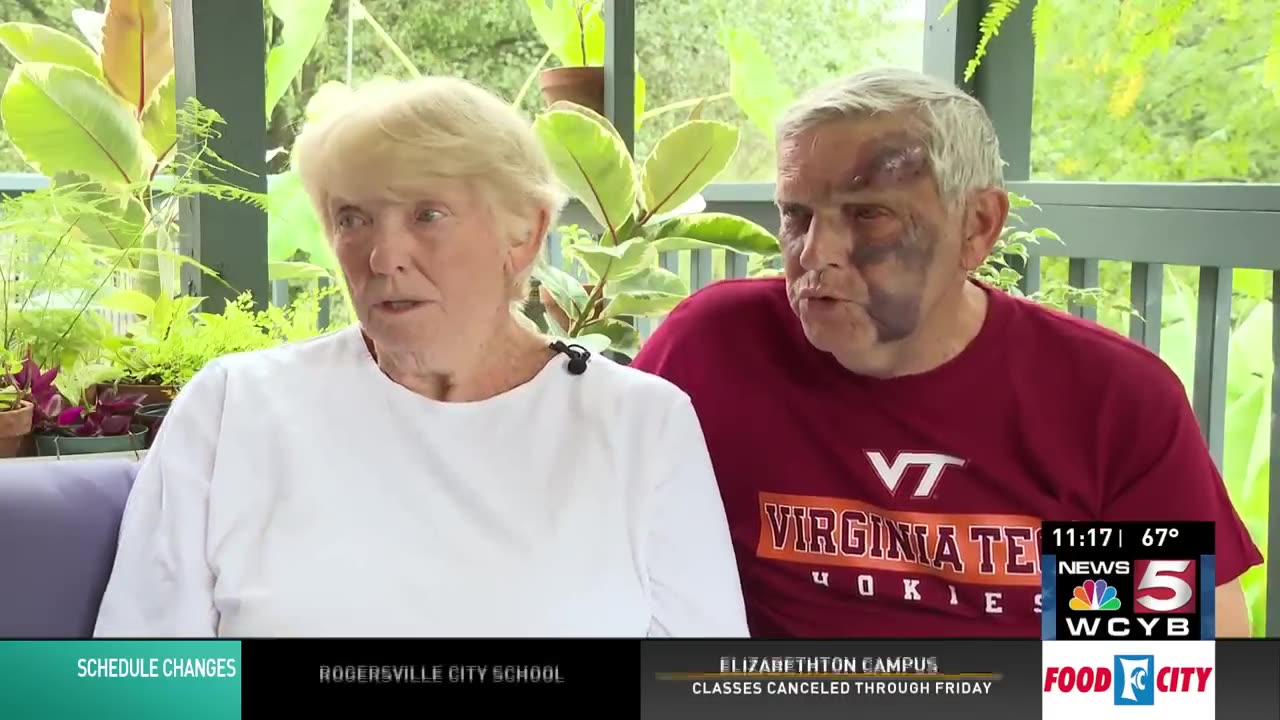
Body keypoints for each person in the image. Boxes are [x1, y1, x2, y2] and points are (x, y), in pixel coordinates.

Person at [93, 76, 748, 638]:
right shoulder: (233, 406)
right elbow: (138, 682)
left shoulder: (640, 425)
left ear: (525, 234)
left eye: (427, 214)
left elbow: (698, 690)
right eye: (353, 219)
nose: (383, 258)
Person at [629, 67, 1263, 638]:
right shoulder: (715, 350)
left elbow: (1163, 679)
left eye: (868, 214)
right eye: (796, 215)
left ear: (978, 225)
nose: (815, 254)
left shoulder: (1104, 401)